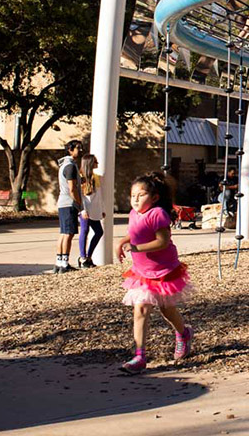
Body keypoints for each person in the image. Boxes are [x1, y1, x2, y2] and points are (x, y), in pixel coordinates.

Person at [116, 172, 194, 375]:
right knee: (140, 309)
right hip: (142, 272)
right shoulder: (134, 214)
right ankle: (139, 356)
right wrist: (123, 241)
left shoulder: (158, 214)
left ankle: (183, 333)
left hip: (164, 270)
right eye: (132, 195)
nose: (135, 199)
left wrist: (136, 248)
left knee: (166, 309)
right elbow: (136, 232)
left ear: (155, 198)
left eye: (141, 195)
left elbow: (163, 241)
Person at [54, 140, 84, 274]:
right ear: (70, 150)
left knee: (63, 233)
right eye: (78, 148)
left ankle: (59, 262)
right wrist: (79, 204)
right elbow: (72, 188)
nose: (80, 150)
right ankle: (64, 263)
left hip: (63, 202)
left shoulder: (64, 165)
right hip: (68, 203)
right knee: (68, 234)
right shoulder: (70, 166)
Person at [78, 154, 105, 268]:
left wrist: (102, 209)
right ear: (89, 163)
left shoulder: (96, 177)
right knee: (84, 231)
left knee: (99, 232)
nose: (97, 164)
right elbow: (80, 196)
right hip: (85, 210)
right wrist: (82, 210)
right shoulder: (80, 177)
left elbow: (98, 195)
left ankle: (88, 256)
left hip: (94, 210)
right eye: (95, 162)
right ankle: (83, 257)